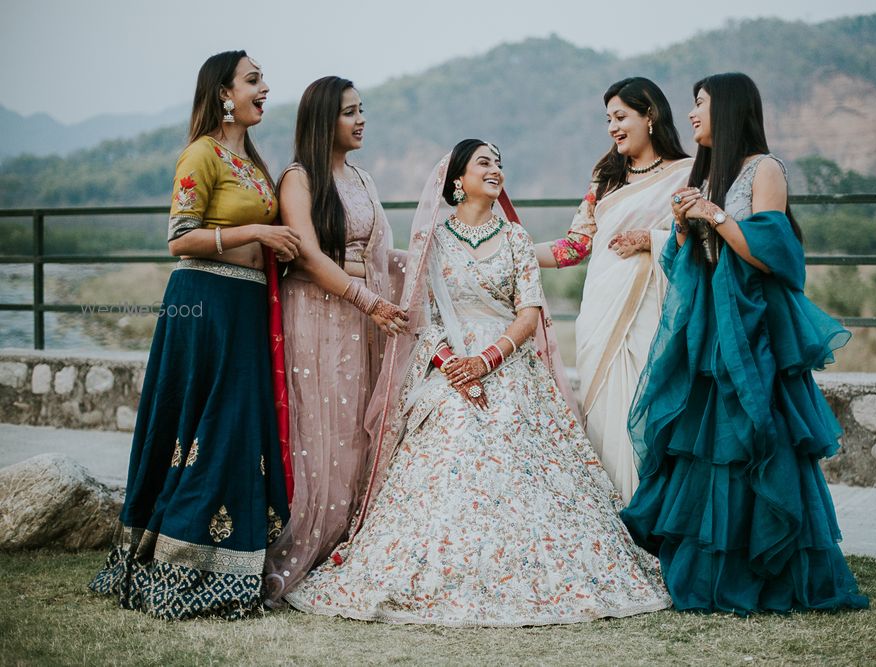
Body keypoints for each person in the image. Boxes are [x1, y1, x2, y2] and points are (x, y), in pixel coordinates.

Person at [284, 140, 669, 626]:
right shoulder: (434, 240)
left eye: (500, 163)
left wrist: (487, 361)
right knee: (451, 418)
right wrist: (451, 365)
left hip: (507, 364)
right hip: (448, 364)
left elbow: (529, 313)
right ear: (457, 181)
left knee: (507, 419)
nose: (496, 170)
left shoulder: (514, 239)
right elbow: (422, 317)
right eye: (484, 162)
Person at [622, 72, 870, 615]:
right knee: (707, 443)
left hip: (754, 327)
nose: (691, 115)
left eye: (700, 104)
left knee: (760, 436)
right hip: (710, 325)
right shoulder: (713, 173)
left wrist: (713, 215)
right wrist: (685, 228)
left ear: (728, 109)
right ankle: (713, 571)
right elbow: (687, 261)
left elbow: (775, 254)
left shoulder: (766, 169)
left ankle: (771, 569)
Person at [89, 51, 301, 620]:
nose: (265, 89)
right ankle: (181, 569)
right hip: (204, 306)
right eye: (254, 80)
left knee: (238, 429)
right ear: (224, 92)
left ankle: (234, 571)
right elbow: (179, 239)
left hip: (247, 308)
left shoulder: (253, 164)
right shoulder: (200, 154)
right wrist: (256, 229)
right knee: (205, 428)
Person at [263, 76, 408, 604]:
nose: (361, 119)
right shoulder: (298, 179)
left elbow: (379, 252)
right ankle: (307, 539)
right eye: (350, 112)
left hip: (361, 319)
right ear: (326, 120)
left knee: (355, 428)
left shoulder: (364, 180)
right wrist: (367, 300)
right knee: (319, 425)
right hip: (317, 313)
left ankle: (350, 537)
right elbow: (305, 254)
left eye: (362, 109)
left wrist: (433, 266)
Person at [535, 78, 692, 503]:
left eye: (621, 117)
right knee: (606, 415)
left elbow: (702, 244)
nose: (612, 127)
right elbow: (575, 246)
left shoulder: (689, 174)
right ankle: (612, 523)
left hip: (655, 314)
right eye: (608, 119)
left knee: (651, 410)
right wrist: (515, 251)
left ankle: (654, 520)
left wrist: (652, 240)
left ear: (651, 116)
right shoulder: (605, 177)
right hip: (601, 316)